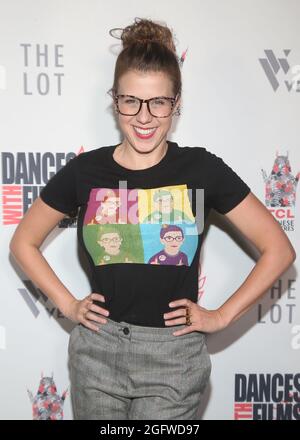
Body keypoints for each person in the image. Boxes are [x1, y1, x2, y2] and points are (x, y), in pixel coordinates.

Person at [9, 17, 296, 421]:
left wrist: (221, 316)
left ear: (176, 102)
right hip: (97, 355)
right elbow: (23, 242)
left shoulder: (201, 169)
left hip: (174, 359)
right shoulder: (85, 172)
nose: (144, 117)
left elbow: (279, 250)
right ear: (115, 100)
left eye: (158, 102)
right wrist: (68, 306)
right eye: (131, 101)